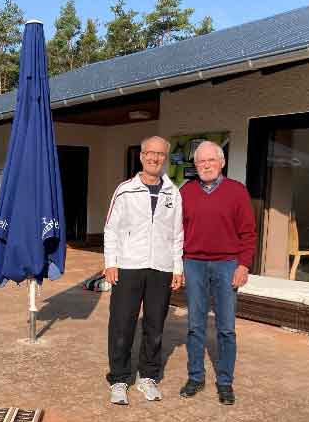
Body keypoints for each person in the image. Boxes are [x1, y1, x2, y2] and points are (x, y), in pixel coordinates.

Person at [104, 136, 184, 406]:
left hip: (160, 268)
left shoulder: (174, 192)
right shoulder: (125, 190)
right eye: (150, 153)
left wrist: (177, 267)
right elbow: (111, 229)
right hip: (128, 266)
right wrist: (110, 262)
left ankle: (148, 377)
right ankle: (118, 378)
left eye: (160, 154)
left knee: (155, 325)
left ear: (165, 158)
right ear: (141, 156)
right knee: (122, 323)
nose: (154, 158)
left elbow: (177, 234)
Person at [179, 140, 256, 406]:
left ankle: (225, 382)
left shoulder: (237, 192)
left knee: (226, 328)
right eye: (201, 161)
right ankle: (195, 377)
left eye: (211, 160)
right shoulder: (185, 192)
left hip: (227, 265)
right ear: (196, 165)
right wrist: (179, 265)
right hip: (194, 263)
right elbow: (176, 232)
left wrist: (243, 265)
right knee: (195, 325)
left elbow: (248, 233)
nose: (206, 165)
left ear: (222, 162)